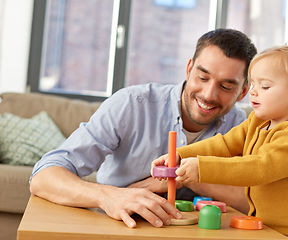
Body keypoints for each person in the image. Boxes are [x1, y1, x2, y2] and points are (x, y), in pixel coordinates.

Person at [29, 28, 257, 229]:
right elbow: (43, 176)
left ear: (243, 92)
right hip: (120, 228)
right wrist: (109, 197)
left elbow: (256, 202)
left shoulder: (243, 126)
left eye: (226, 86)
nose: (209, 95)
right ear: (189, 69)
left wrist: (190, 176)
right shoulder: (132, 104)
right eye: (202, 77)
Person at [152, 45, 288, 239]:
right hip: (266, 227)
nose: (253, 92)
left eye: (264, 86)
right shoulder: (258, 122)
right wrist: (182, 154)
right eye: (253, 84)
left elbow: (259, 168)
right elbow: (224, 144)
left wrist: (203, 169)